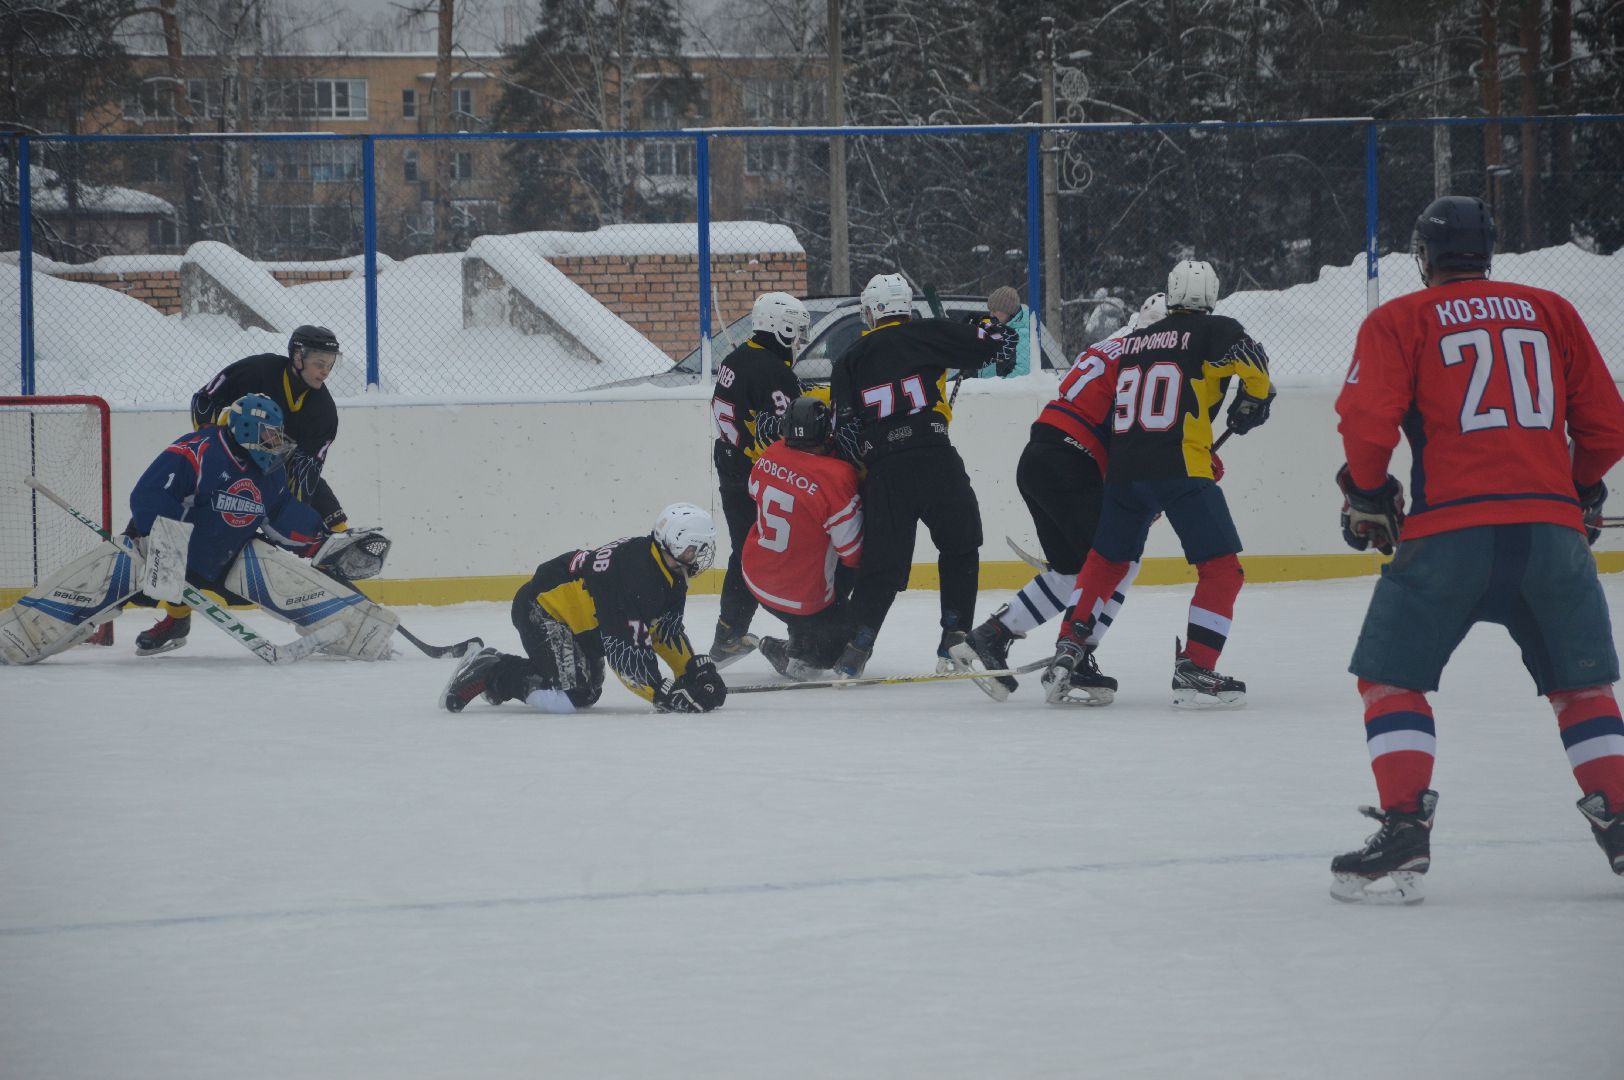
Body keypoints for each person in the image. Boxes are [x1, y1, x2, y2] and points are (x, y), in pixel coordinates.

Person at [1328, 195, 1624, 903]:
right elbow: (1607, 428)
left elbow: (1367, 426)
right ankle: (1619, 819)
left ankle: (1405, 829)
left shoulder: (1399, 319)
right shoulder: (1551, 310)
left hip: (1448, 535)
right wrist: (1580, 488)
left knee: (1391, 680)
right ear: (1487, 252)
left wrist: (1366, 492)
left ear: (1424, 256)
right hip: (1551, 534)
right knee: (1583, 688)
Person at [0, 395, 396, 665]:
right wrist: (167, 547)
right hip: (158, 555)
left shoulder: (270, 472)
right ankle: (18, 635)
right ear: (246, 428)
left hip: (224, 558)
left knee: (276, 570)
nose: (275, 442)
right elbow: (148, 496)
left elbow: (282, 516)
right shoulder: (197, 450)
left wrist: (323, 544)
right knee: (104, 574)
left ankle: (360, 632)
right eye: (269, 434)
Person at [1042, 259, 1275, 708]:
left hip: (1124, 472)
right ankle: (1196, 665)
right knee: (1222, 570)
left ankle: (1069, 648)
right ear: (1211, 296)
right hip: (1181, 468)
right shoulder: (1215, 330)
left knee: (1106, 563)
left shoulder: (1134, 341)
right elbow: (1254, 363)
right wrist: (1255, 399)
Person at [960, 292, 1169, 700]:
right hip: (1072, 465)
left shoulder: (1107, 347)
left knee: (1072, 574)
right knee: (1119, 562)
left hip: (1038, 458)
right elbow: (1131, 438)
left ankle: (993, 634)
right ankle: (1076, 658)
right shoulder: (1145, 363)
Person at [140, 324, 376, 655]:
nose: (325, 371)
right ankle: (176, 617)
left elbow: (304, 474)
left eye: (330, 364)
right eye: (319, 363)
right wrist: (216, 448)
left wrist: (307, 523)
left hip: (270, 476)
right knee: (183, 532)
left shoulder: (323, 412)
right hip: (228, 464)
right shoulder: (258, 370)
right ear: (298, 357)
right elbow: (205, 399)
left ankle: (338, 607)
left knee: (320, 533)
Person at [826, 272, 1018, 677]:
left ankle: (855, 649)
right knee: (961, 546)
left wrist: (868, 473)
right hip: (935, 458)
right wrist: (985, 325)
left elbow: (844, 432)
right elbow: (995, 345)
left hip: (885, 470)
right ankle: (954, 640)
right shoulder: (930, 332)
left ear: (873, 312)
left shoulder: (849, 359)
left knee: (882, 567)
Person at [440, 503, 728, 715]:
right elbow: (625, 654)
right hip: (542, 611)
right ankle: (491, 670)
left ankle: (501, 675)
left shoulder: (667, 571)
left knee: (588, 692)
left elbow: (663, 631)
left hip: (577, 625)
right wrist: (663, 693)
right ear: (676, 543)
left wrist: (691, 670)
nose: (701, 555)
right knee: (569, 696)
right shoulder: (637, 577)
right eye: (696, 548)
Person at [707, 292, 812, 668]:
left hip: (730, 464)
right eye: (796, 330)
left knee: (746, 552)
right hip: (759, 475)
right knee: (778, 553)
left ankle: (729, 634)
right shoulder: (773, 371)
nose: (799, 339)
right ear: (781, 328)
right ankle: (806, 642)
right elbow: (793, 427)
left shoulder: (736, 359)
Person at [742, 395, 864, 680]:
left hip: (755, 581)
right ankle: (793, 650)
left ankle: (800, 635)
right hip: (802, 599)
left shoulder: (770, 453)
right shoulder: (837, 475)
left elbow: (753, 489)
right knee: (851, 643)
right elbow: (853, 554)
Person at [964, 285, 1031, 378]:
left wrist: (997, 384)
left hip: (1002, 386)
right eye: (990, 310)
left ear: (1009, 311)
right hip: (985, 384)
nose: (991, 315)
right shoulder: (994, 329)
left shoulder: (1022, 335)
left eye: (995, 311)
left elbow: (1022, 371)